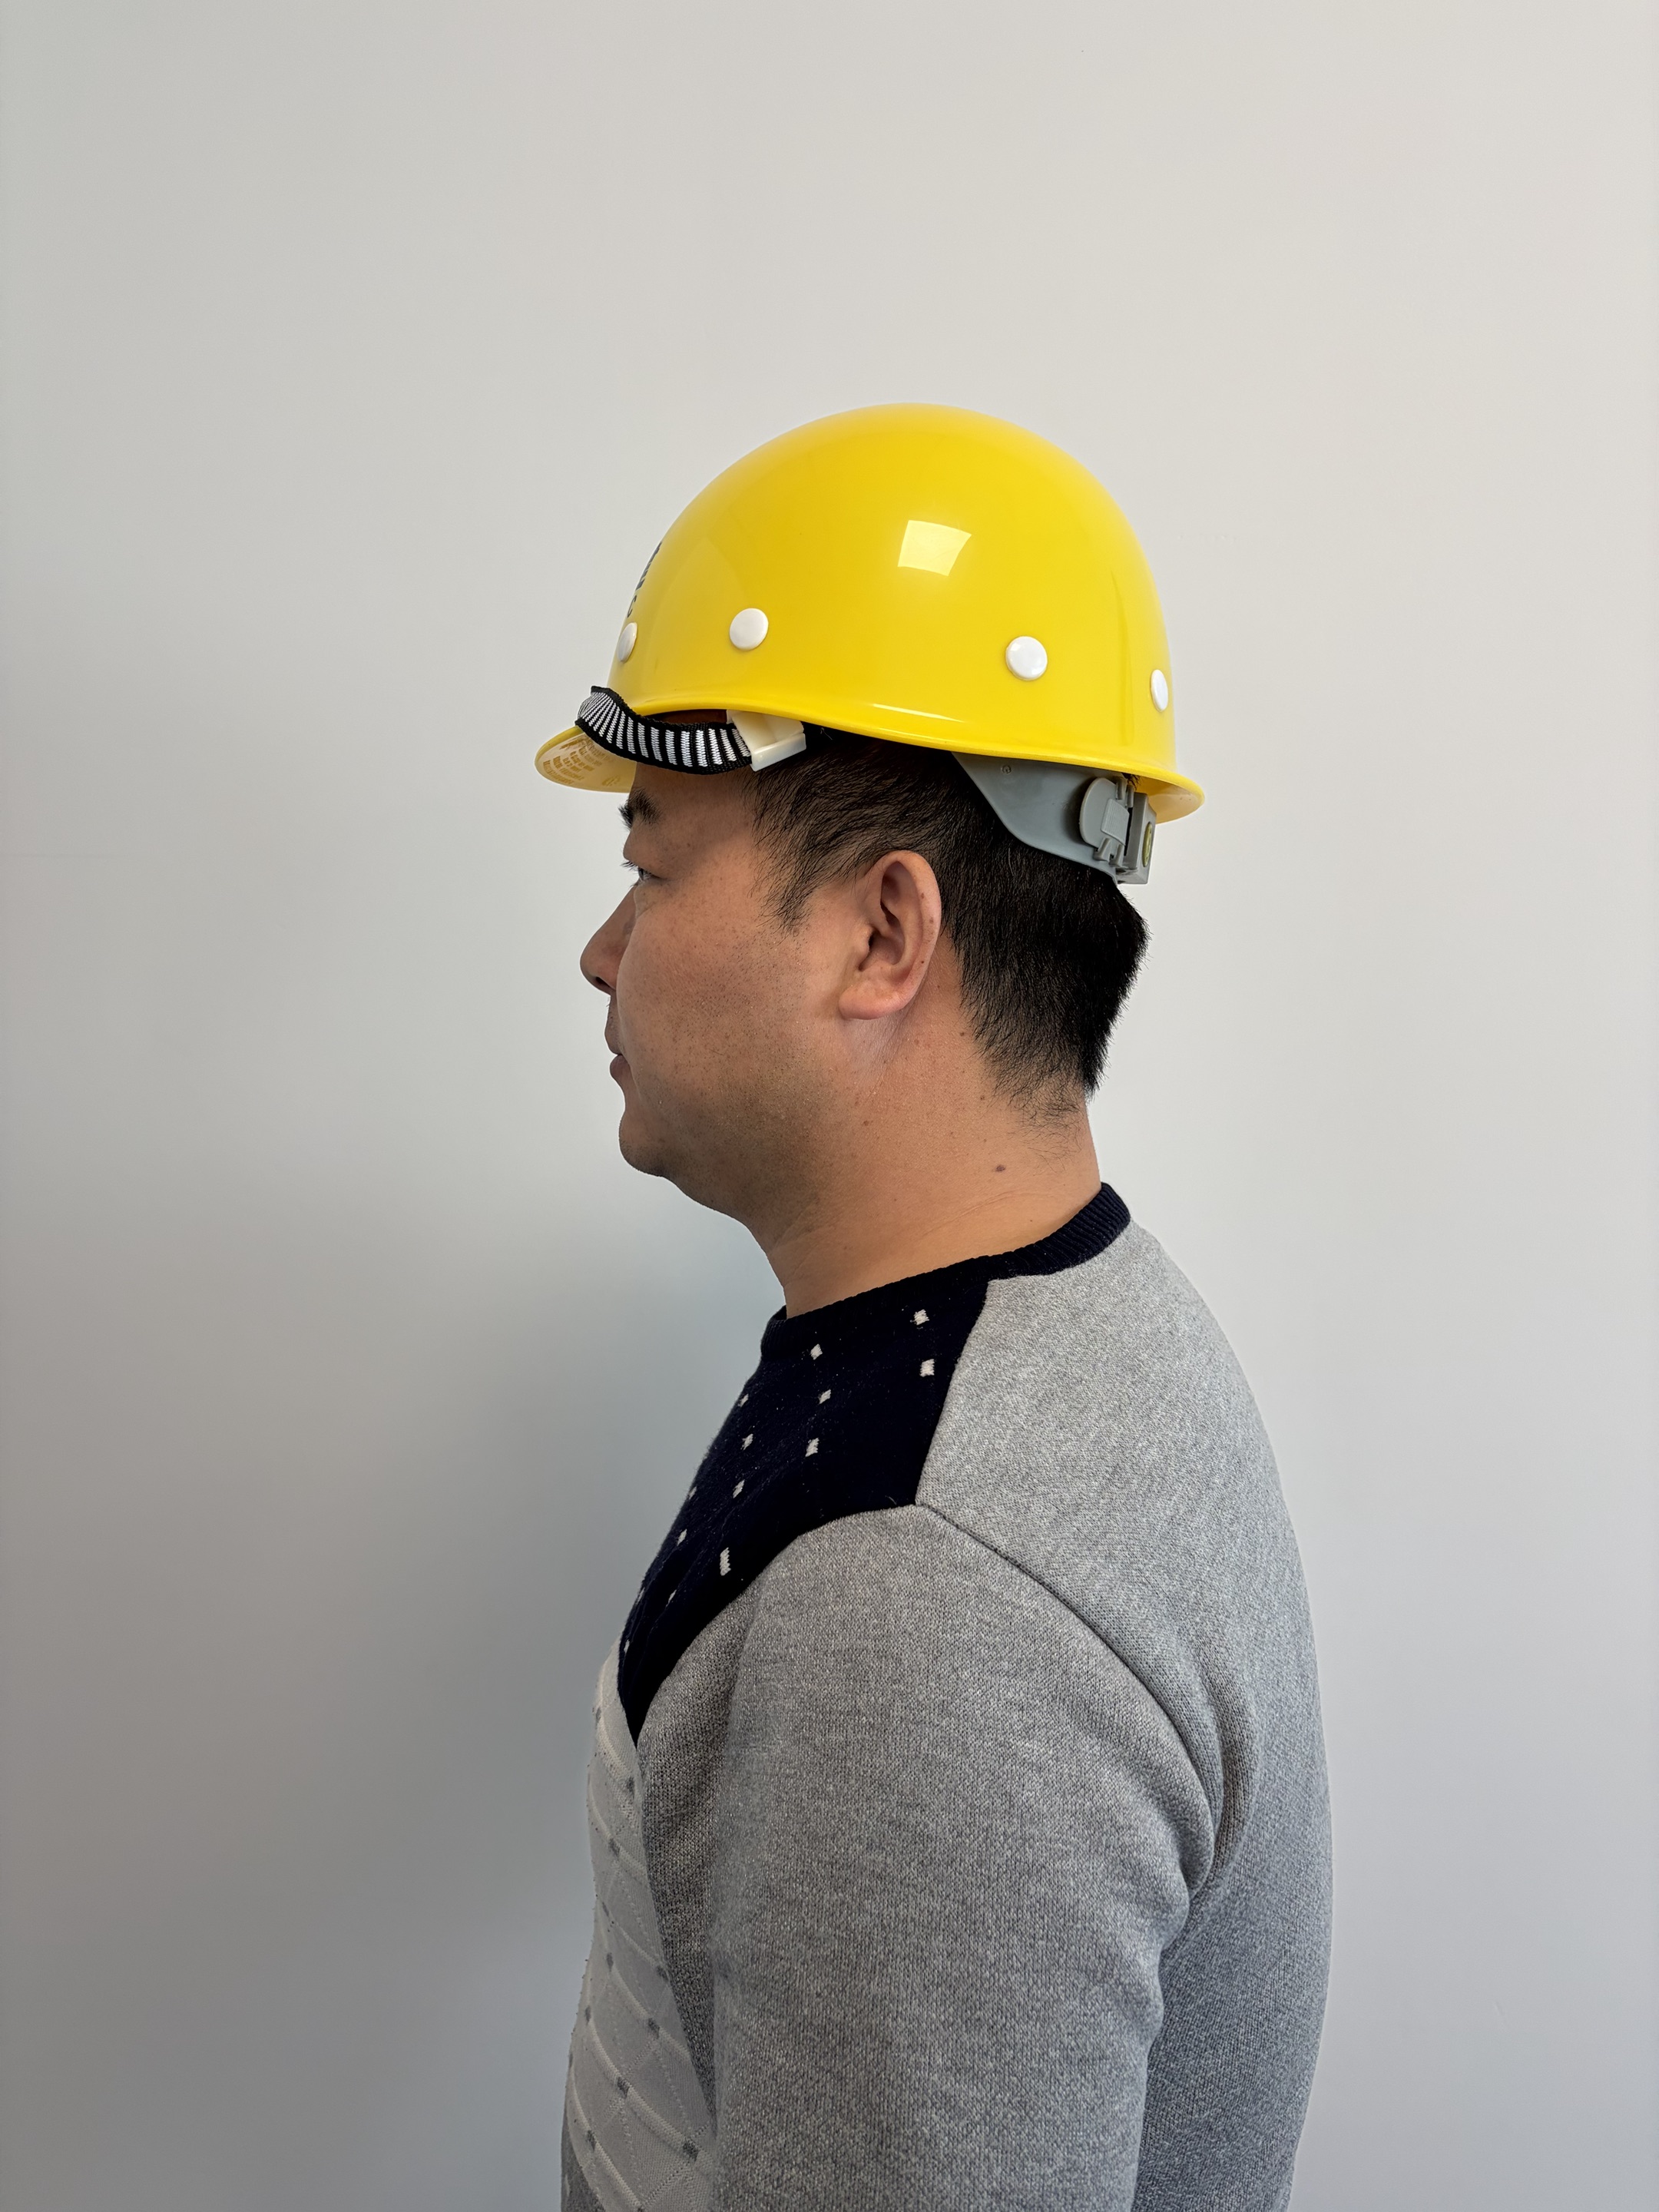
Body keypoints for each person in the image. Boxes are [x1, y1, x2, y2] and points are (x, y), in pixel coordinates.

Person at [538, 405, 1330, 2212]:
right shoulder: (1071, 1331)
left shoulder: (925, 1610)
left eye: (650, 863)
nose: (603, 949)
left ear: (884, 934)